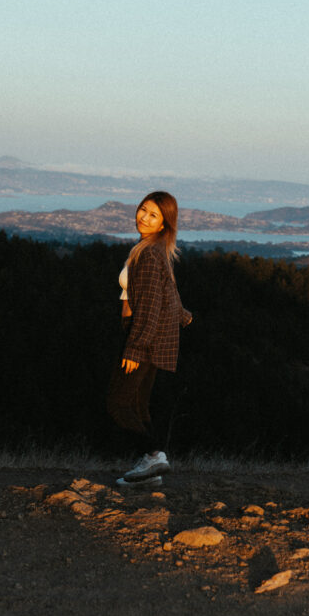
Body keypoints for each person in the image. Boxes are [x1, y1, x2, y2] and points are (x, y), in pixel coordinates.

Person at [106, 191, 192, 485]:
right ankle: (148, 472)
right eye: (143, 209)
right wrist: (183, 316)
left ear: (164, 224)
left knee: (117, 403)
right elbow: (168, 292)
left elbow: (150, 305)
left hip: (143, 340)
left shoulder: (150, 254)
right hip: (154, 341)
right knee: (139, 405)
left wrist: (134, 347)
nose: (143, 217)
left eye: (153, 215)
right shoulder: (155, 250)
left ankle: (153, 456)